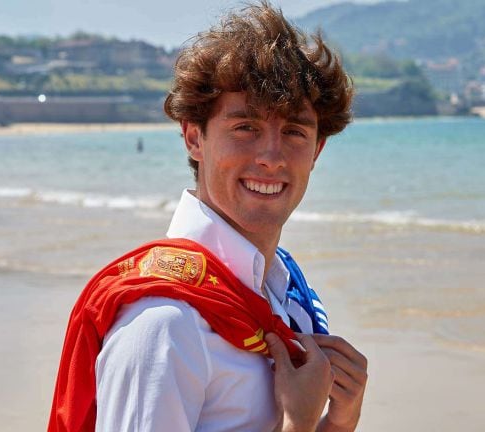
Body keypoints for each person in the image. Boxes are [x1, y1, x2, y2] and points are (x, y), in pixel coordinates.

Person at [48, 2, 367, 431]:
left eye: (294, 132)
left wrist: (339, 422)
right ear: (194, 137)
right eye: (245, 127)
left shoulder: (284, 287)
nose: (272, 157)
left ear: (317, 151)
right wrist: (298, 423)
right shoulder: (163, 324)